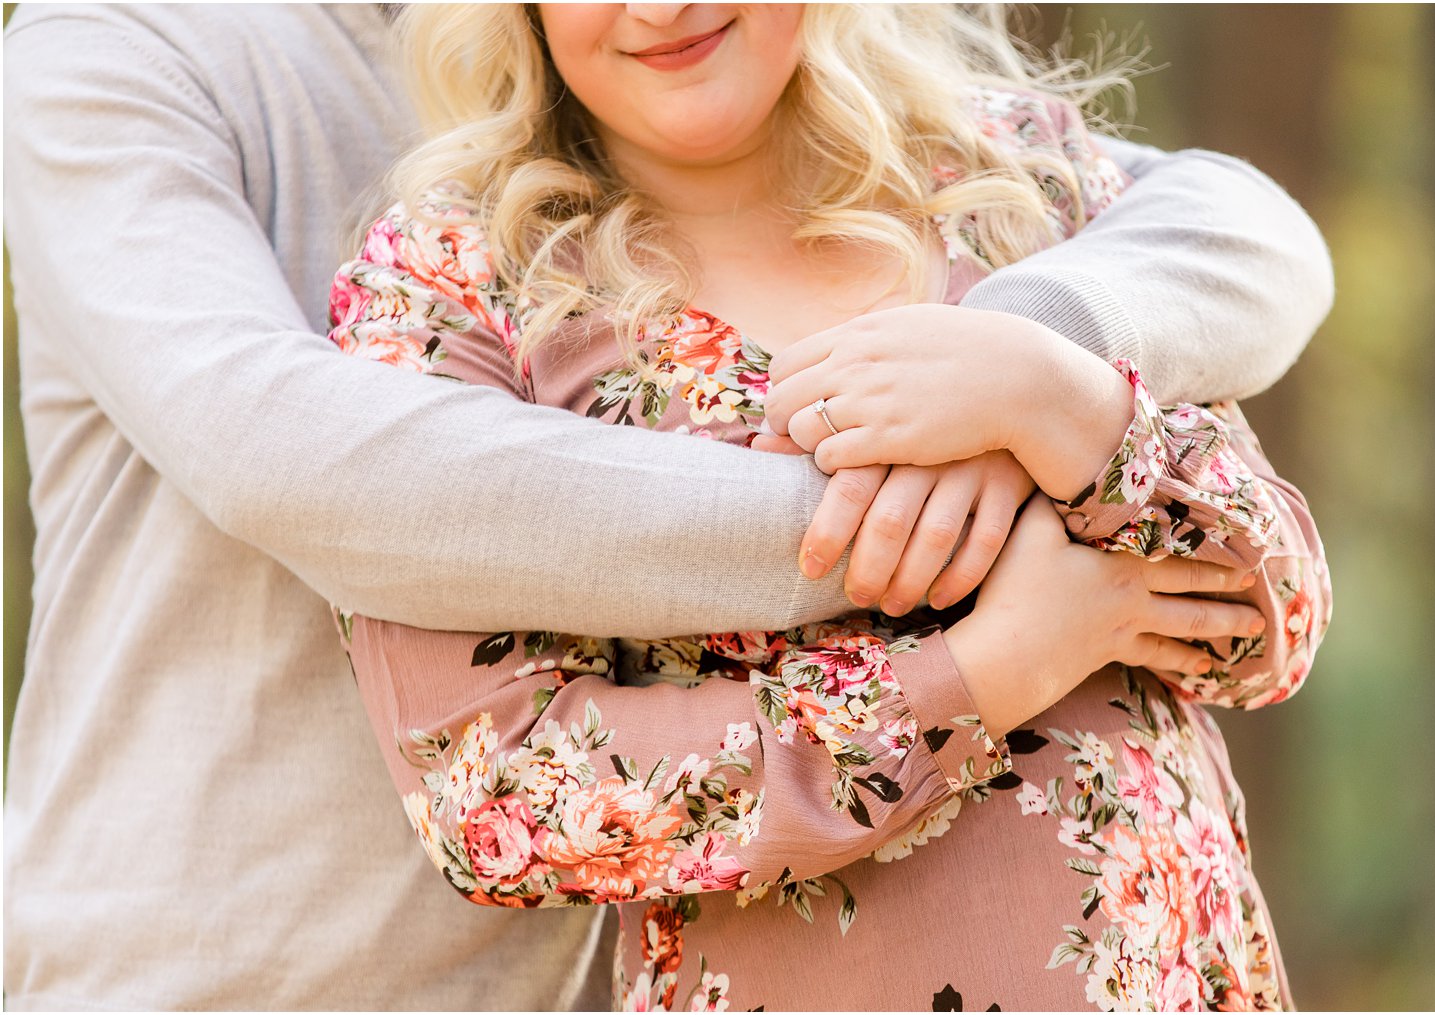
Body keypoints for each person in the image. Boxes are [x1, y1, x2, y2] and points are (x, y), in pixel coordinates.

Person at [1, 3, 1331, 1012]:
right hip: (207, 974)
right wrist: (949, 586)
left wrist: (1056, 386)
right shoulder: (133, 61)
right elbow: (300, 462)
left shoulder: (979, 178)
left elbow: (1231, 267)